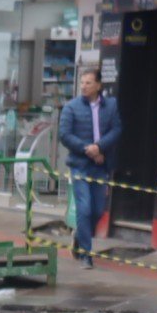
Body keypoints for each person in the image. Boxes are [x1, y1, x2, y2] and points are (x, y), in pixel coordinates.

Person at [58, 68, 122, 267]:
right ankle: (86, 254)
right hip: (80, 166)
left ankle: (80, 236)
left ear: (98, 85)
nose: (84, 86)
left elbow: (117, 129)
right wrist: (88, 149)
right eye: (82, 83)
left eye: (88, 83)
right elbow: (65, 135)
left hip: (101, 166)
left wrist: (100, 147)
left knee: (97, 210)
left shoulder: (111, 106)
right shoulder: (71, 107)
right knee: (84, 209)